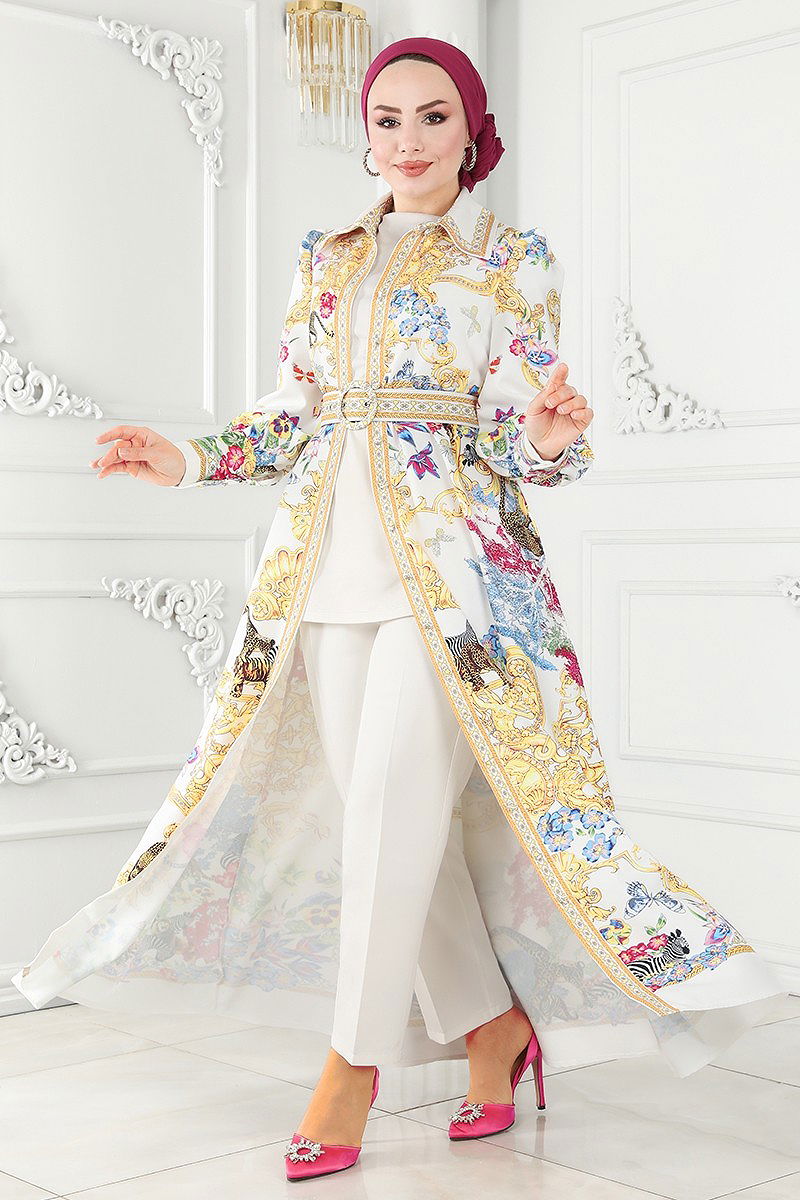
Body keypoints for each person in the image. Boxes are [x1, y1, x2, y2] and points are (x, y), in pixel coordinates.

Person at [14, 35, 787, 1187]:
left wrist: (547, 437)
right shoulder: (325, 257)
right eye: (386, 119)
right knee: (392, 825)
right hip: (323, 573)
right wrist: (185, 458)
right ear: (366, 134)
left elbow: (524, 418)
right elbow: (292, 412)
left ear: (470, 134)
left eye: (433, 118)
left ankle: (349, 1069)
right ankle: (490, 1027)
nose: (408, 140)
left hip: (455, 586)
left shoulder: (509, 257)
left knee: (388, 807)